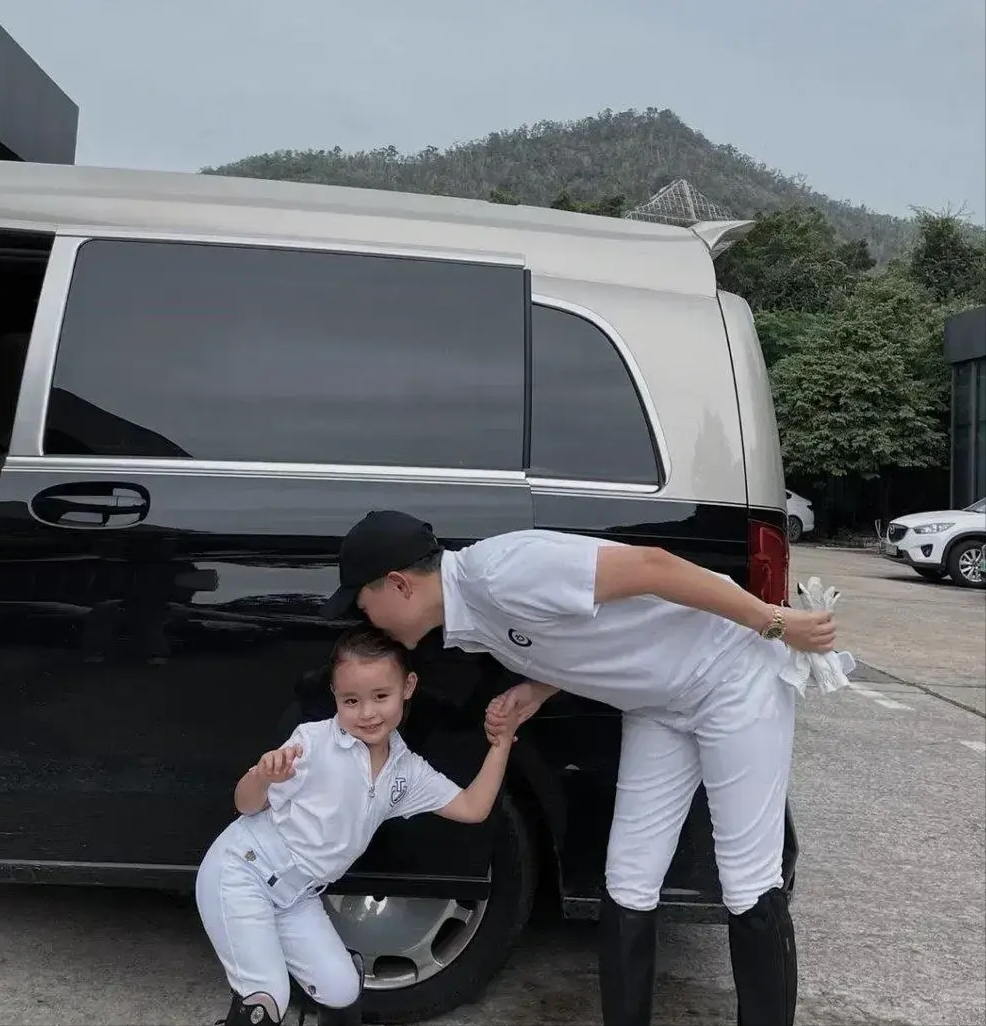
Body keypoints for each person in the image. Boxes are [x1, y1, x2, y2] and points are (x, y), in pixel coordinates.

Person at [319, 510, 842, 1026]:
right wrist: (537, 689)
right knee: (629, 882)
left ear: (398, 584)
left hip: (732, 674)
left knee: (748, 880)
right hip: (657, 703)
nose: (367, 620)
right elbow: (578, 632)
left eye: (364, 605)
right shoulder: (468, 618)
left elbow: (653, 568)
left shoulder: (502, 573)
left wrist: (776, 622)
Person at [195, 625, 522, 1026]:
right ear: (334, 694)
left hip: (297, 896)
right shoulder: (312, 744)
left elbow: (473, 807)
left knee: (342, 988)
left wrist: (501, 744)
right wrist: (262, 777)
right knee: (266, 999)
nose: (367, 713)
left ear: (408, 687)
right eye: (351, 700)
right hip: (242, 872)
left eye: (381, 696)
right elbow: (245, 805)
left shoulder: (405, 771)